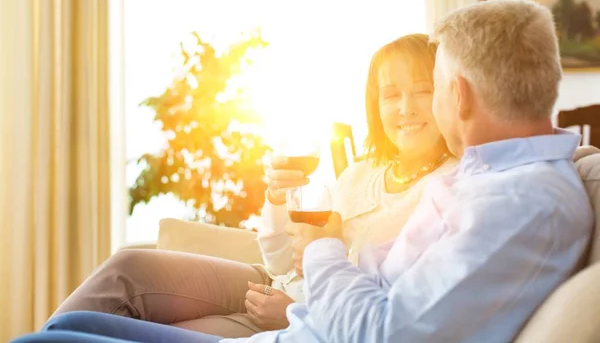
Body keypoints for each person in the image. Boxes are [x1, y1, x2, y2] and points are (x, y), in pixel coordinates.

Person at [12, 0, 594, 343]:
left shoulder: (522, 201)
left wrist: (324, 250)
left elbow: (383, 331)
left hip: (299, 332)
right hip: (297, 328)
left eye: (432, 87)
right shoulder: (490, 177)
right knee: (62, 332)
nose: (415, 107)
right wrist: (314, 249)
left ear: (458, 96)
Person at [43, 34, 456, 338]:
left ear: (448, 97)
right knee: (127, 268)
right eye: (390, 95)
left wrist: (297, 313)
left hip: (304, 317)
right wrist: (277, 199)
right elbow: (278, 261)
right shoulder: (360, 174)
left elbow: (390, 310)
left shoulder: (449, 191)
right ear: (375, 104)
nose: (405, 109)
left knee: (155, 330)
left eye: (422, 91)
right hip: (267, 283)